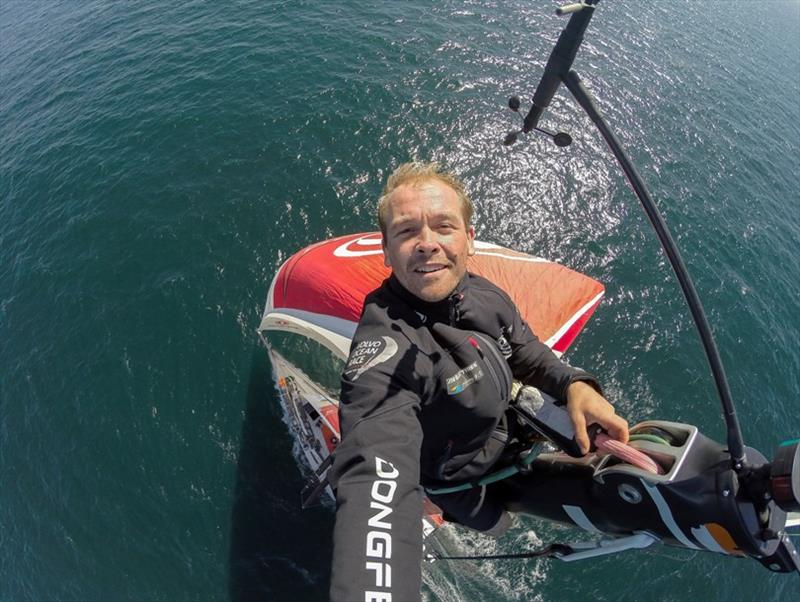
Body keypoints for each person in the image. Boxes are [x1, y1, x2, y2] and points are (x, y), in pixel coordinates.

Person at [328, 162, 629, 602]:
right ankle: (443, 511)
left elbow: (524, 348)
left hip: (511, 438)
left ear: (469, 238)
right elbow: (374, 477)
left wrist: (573, 384)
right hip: (457, 482)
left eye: (443, 227)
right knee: (498, 523)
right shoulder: (385, 350)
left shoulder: (481, 292)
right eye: (407, 231)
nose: (428, 244)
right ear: (386, 251)